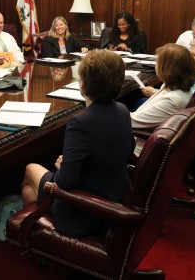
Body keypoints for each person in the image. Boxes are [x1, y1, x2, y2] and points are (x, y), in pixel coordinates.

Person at [21, 49, 135, 237]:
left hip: (85, 209)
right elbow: (126, 150)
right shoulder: (123, 110)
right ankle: (38, 237)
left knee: (29, 170)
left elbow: (65, 182)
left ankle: (33, 236)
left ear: (82, 85)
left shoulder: (80, 122)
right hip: (116, 196)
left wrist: (62, 165)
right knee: (31, 192)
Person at [131, 43, 195, 154]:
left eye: (157, 63)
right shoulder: (175, 86)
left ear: (167, 68)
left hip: (138, 149)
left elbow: (131, 122)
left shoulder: (173, 100)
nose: (156, 65)